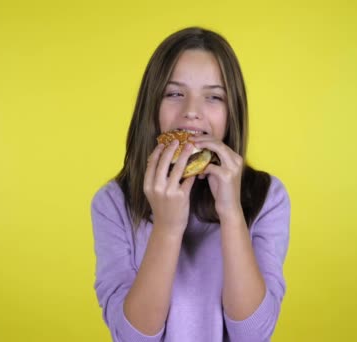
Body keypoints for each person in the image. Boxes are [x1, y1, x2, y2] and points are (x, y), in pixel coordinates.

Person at [91, 26, 291, 342]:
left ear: (232, 111)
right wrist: (168, 228)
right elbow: (133, 338)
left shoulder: (268, 197)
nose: (192, 112)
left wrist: (232, 212)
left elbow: (252, 335)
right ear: (151, 106)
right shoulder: (113, 203)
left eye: (213, 97)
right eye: (174, 94)